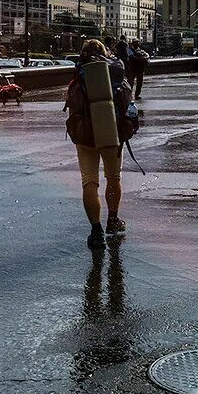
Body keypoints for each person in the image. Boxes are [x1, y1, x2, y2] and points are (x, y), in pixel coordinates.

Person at [65, 39, 131, 248]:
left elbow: (73, 105)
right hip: (111, 133)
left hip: (85, 136)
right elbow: (127, 99)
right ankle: (113, 220)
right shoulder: (116, 70)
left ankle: (96, 232)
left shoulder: (80, 74)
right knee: (113, 178)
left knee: (89, 182)